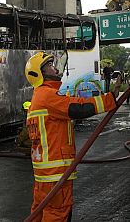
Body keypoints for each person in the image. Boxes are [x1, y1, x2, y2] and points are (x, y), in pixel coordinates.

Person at [25, 52, 116, 221]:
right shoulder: (47, 96)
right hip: (56, 173)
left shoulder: (38, 98)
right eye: (50, 66)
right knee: (57, 213)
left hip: (45, 175)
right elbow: (78, 108)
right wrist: (110, 100)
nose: (55, 69)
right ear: (39, 74)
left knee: (39, 210)